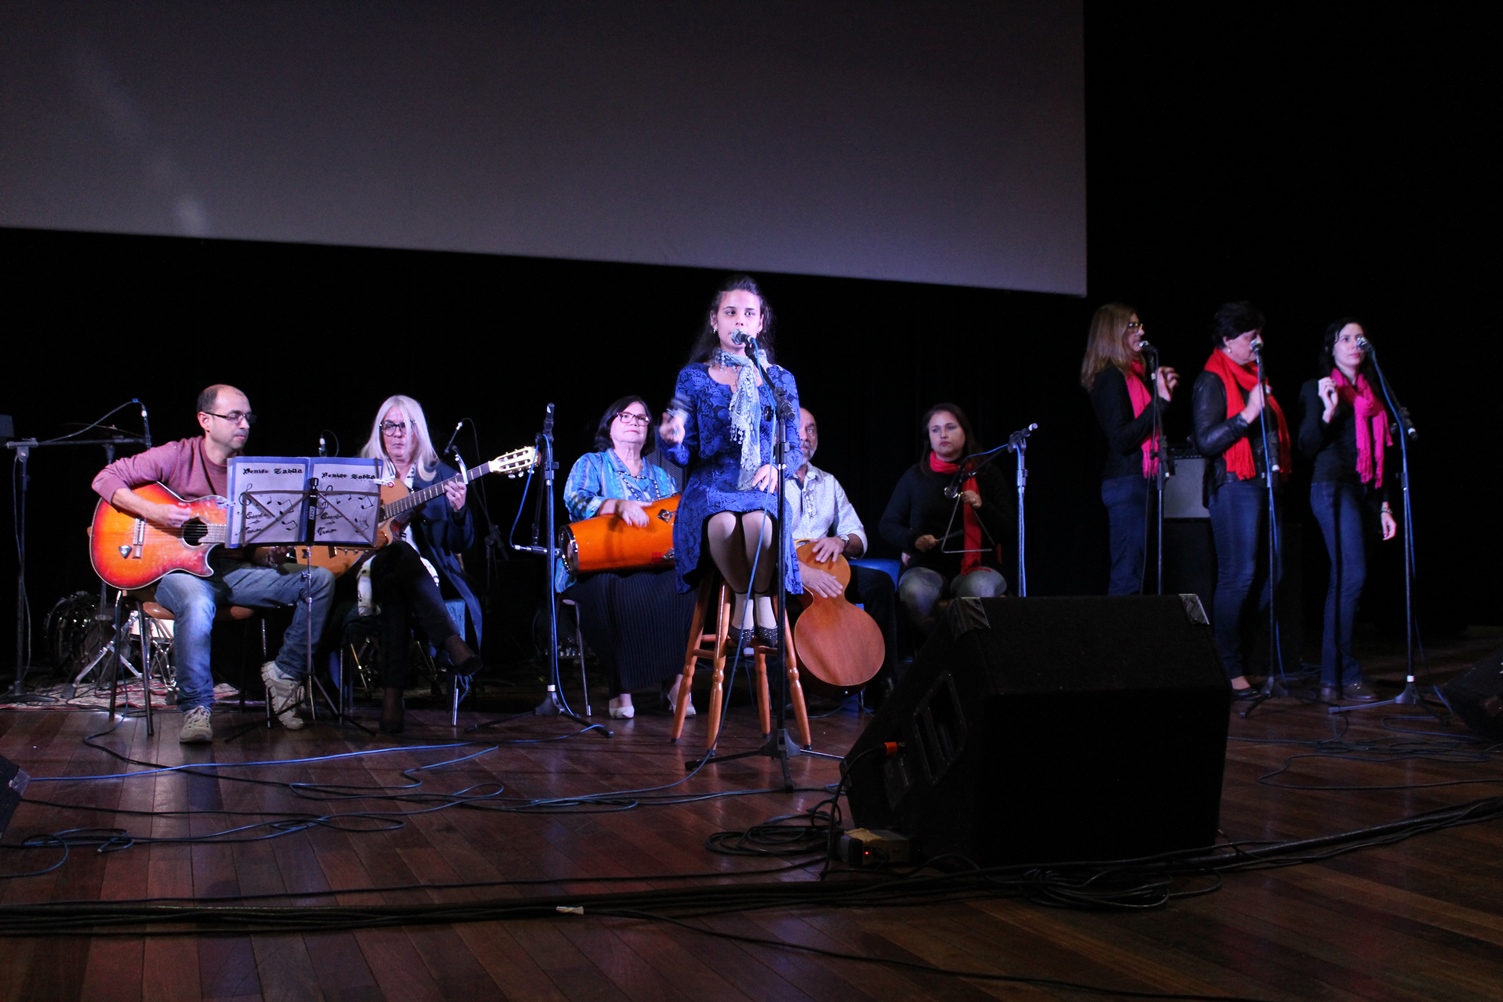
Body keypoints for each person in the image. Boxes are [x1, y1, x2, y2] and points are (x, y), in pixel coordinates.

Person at [91, 384, 335, 741]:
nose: (244, 424)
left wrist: (271, 553)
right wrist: (156, 511)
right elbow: (105, 478)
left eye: (247, 416)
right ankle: (196, 708)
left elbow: (255, 548)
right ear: (205, 420)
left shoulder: (252, 473)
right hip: (177, 572)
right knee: (197, 600)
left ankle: (284, 674)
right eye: (234, 416)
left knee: (320, 579)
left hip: (233, 571)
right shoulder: (177, 455)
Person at [657, 274, 803, 679]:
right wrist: (671, 437)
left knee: (759, 521)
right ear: (714, 321)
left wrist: (777, 467)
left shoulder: (779, 379)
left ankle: (755, 600)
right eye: (731, 312)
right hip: (712, 480)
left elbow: (793, 444)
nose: (740, 320)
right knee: (721, 521)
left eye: (749, 313)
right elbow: (683, 448)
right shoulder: (693, 377)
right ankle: (747, 599)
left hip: (760, 480)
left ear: (760, 324)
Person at [555, 395, 698, 719]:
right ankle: (621, 687)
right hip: (597, 565)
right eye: (626, 416)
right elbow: (575, 499)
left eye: (642, 418)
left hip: (652, 564)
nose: (635, 422)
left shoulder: (661, 477)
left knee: (684, 587)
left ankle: (676, 681)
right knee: (614, 590)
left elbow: (673, 519)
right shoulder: (592, 464)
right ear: (610, 424)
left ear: (650, 430)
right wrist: (615, 506)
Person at [356, 395, 482, 733]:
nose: (397, 434)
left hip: (427, 577)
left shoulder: (441, 476)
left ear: (419, 431)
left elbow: (461, 545)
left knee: (399, 581)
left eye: (405, 425)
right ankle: (451, 641)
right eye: (390, 426)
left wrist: (458, 513)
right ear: (380, 432)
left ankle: (391, 700)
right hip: (366, 571)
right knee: (395, 554)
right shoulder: (361, 475)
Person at [1191, 302, 1290, 698]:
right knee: (1240, 576)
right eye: (1251, 337)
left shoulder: (1255, 375)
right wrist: (1247, 415)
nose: (1259, 342)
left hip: (1265, 484)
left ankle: (1245, 657)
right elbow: (1206, 441)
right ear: (1229, 341)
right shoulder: (1211, 379)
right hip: (1233, 485)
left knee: (1273, 574)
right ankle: (1228, 667)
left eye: (1259, 334)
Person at [1298, 319, 1397, 703]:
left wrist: (1386, 504)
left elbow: (1386, 454)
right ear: (1331, 349)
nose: (1354, 343)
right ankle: (1340, 674)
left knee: (1348, 580)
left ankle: (1332, 679)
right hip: (1332, 486)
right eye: (1345, 338)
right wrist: (1327, 412)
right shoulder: (1319, 387)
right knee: (1351, 577)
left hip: (1367, 493)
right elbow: (1307, 445)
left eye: (1360, 338)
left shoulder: (1375, 393)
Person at [787, 407, 899, 707]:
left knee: (880, 584)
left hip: (830, 568)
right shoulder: (768, 479)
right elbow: (760, 541)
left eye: (811, 430)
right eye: (797, 429)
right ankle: (794, 687)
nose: (805, 436)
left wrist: (841, 540)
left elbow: (859, 536)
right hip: (788, 570)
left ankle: (883, 684)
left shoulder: (828, 482)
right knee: (788, 599)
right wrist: (798, 571)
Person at [879, 403, 1013, 634]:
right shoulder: (915, 477)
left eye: (950, 427)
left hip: (979, 566)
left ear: (965, 432)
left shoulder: (987, 474)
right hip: (927, 566)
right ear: (928, 438)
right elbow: (887, 524)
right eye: (935, 430)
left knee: (977, 589)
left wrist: (982, 506)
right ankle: (937, 654)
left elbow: (1009, 531)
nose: (943, 434)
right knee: (913, 593)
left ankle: (967, 659)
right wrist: (914, 539)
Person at [1080, 303, 1179, 595]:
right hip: (1125, 481)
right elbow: (1122, 439)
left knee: (1137, 572)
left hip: (1138, 480)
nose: (1141, 332)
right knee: (1127, 575)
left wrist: (1162, 400)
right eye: (1133, 326)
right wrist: (1158, 403)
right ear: (1114, 333)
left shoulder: (1134, 375)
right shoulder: (1111, 377)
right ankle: (1116, 640)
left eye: (1140, 325)